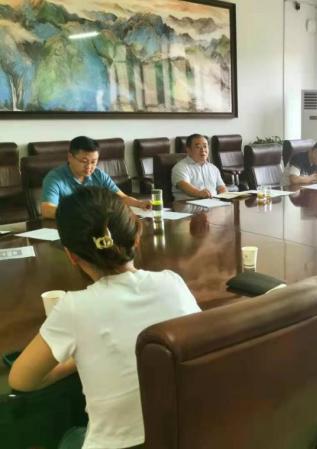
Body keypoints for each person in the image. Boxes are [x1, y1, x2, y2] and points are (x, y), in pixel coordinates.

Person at [9, 187, 200, 449]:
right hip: (186, 435)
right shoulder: (173, 283)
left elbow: (20, 380)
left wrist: (74, 362)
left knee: (69, 436)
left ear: (71, 256)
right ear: (137, 237)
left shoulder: (73, 308)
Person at [41, 136, 150, 219]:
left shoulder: (98, 175)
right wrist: (81, 213)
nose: (89, 167)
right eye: (84, 161)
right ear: (70, 157)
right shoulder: (54, 178)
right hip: (66, 228)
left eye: (93, 162)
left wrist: (140, 204)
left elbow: (121, 197)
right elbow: (47, 209)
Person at [171, 134, 227, 200]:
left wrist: (225, 196)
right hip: (189, 203)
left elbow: (221, 187)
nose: (203, 150)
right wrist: (199, 193)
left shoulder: (213, 168)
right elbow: (184, 186)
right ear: (188, 150)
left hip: (213, 203)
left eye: (205, 146)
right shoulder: (180, 167)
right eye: (198, 147)